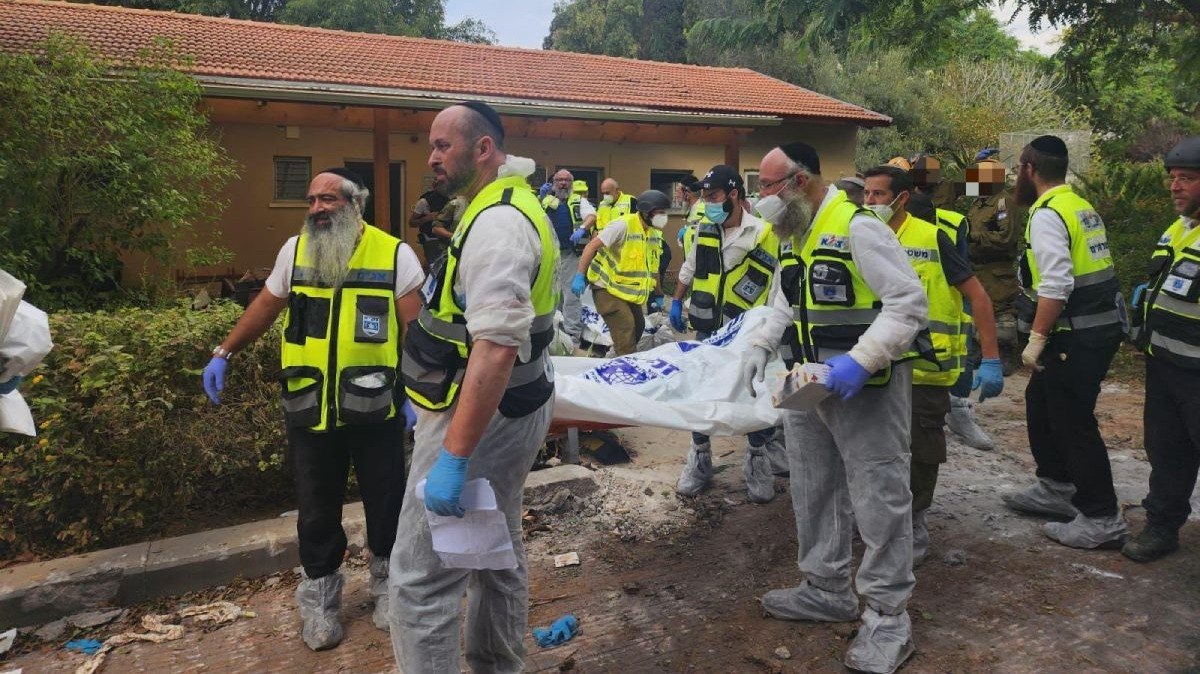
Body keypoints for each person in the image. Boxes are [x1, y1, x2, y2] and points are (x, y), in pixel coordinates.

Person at [201, 167, 424, 650]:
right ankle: (320, 601)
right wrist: (224, 352)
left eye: (329, 199)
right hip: (311, 404)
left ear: (355, 204)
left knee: (386, 501)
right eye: (312, 200)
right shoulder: (295, 249)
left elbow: (416, 329)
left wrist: (416, 395)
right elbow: (266, 304)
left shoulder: (394, 253)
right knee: (316, 508)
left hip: (375, 405)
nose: (318, 209)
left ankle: (389, 588)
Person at [744, 142, 927, 674]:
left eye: (768, 187)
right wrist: (761, 344)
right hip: (806, 383)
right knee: (812, 483)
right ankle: (825, 586)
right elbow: (785, 298)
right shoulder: (793, 233)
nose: (762, 198)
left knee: (878, 495)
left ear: (799, 182)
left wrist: (860, 360)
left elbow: (908, 304)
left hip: (863, 388)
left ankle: (889, 617)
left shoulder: (859, 227)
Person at [390, 100, 557, 673]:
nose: (431, 158)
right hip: (505, 409)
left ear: (482, 149)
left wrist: (454, 456)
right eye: (430, 145)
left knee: (419, 578)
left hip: (479, 418)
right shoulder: (493, 207)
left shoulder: (500, 224)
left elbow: (496, 347)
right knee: (492, 553)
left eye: (443, 146)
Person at [862, 165, 1004, 566]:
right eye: (866, 195)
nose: (868, 202)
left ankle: (915, 522)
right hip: (874, 365)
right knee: (876, 449)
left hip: (925, 368)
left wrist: (990, 358)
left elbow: (978, 297)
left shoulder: (932, 238)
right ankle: (880, 519)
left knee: (921, 451)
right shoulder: (860, 237)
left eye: (876, 195)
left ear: (901, 198)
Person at [1001, 135, 1128, 550]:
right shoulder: (1078, 205)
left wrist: (1036, 339)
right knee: (1042, 403)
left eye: (1018, 167)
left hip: (1077, 333)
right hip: (1094, 327)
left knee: (1072, 420)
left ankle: (1101, 516)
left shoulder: (1048, 213)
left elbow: (1056, 282)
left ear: (1029, 169)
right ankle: (1056, 488)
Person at [670, 164, 786, 503]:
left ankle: (756, 461)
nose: (708, 203)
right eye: (704, 197)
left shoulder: (764, 234)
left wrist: (771, 330)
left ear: (733, 194)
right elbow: (690, 267)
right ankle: (700, 459)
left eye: (714, 196)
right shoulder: (704, 229)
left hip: (749, 331)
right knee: (703, 392)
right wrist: (677, 300)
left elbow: (779, 286)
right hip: (708, 328)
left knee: (753, 395)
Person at [1123, 135, 1200, 562]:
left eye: (1187, 178)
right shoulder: (1180, 228)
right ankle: (1162, 527)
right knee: (1167, 452)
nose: (1175, 187)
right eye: (1173, 178)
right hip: (1165, 365)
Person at [909, 153, 994, 450]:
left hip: (947, 302)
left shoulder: (953, 219)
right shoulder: (885, 213)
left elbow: (973, 187)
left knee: (957, 353)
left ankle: (958, 410)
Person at [572, 190, 668, 355]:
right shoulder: (622, 225)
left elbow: (653, 268)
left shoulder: (652, 234)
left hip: (624, 291)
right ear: (646, 212)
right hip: (605, 287)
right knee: (625, 326)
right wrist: (580, 275)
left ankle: (620, 356)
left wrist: (659, 294)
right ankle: (624, 367)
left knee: (639, 326)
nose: (664, 217)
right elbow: (591, 246)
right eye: (660, 213)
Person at [965, 154, 1026, 373]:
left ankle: (1006, 355)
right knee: (977, 310)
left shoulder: (1003, 201)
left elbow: (1006, 237)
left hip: (996, 270)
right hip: (976, 268)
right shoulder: (978, 203)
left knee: (1002, 313)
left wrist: (974, 236)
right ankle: (981, 353)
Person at [540, 170, 596, 346]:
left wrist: (582, 228)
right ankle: (554, 331)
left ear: (571, 183)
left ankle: (572, 335)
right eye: (559, 180)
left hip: (570, 254)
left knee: (571, 296)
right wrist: (539, 199)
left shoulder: (579, 201)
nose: (563, 183)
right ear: (554, 182)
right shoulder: (545, 200)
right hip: (548, 256)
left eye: (566, 180)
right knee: (552, 295)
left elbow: (592, 216)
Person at [410, 179, 452, 270]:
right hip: (430, 238)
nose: (445, 188)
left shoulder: (450, 200)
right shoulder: (424, 202)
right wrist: (427, 218)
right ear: (435, 186)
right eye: (442, 185)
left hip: (445, 238)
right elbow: (412, 223)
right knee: (434, 266)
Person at [677, 174, 705, 257]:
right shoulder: (691, 211)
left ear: (687, 193)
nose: (676, 195)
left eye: (678, 191)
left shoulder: (702, 212)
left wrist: (684, 237)